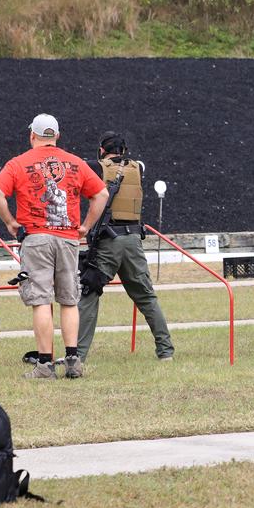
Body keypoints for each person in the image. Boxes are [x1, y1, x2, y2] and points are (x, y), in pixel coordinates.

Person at [0, 114, 109, 379]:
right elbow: (101, 193)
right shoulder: (76, 163)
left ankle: (45, 365)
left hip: (36, 238)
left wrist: (10, 222)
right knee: (69, 299)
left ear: (32, 135)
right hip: (68, 238)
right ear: (57, 136)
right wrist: (86, 226)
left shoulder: (18, 163)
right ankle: (73, 361)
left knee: (41, 299)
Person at [76, 132, 174, 367]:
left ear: (102, 150)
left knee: (90, 294)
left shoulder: (96, 167)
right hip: (133, 241)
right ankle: (165, 350)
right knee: (147, 297)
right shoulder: (136, 168)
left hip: (109, 242)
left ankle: (77, 355)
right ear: (123, 150)